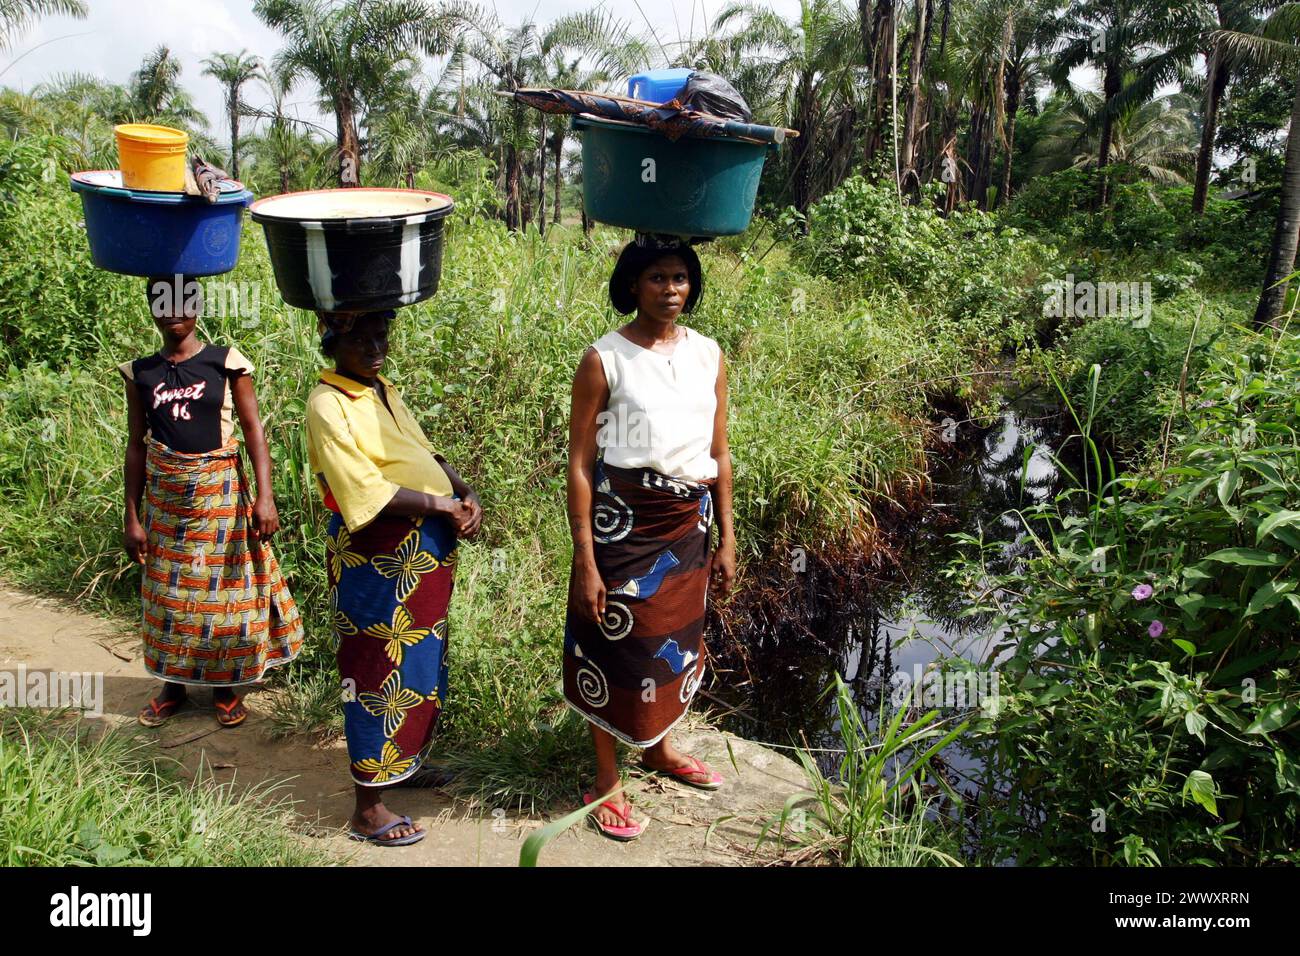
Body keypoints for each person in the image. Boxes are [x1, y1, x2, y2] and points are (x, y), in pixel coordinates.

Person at [565, 236, 737, 841]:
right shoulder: (605, 359)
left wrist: (727, 539)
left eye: (681, 278)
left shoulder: (708, 354)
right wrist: (586, 559)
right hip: (624, 524)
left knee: (675, 642)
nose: (671, 290)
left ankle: (660, 750)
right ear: (633, 285)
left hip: (688, 524)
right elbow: (582, 463)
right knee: (615, 642)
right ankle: (607, 779)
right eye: (657, 278)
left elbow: (718, 451)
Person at [306, 310, 482, 848]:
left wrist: (464, 491)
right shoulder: (327, 404)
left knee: (420, 660)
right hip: (377, 553)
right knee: (373, 666)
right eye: (361, 339)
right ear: (333, 341)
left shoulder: (381, 388)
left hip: (422, 548)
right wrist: (443, 506)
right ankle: (367, 804)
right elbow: (366, 491)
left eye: (381, 336)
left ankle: (404, 763)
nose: (375, 347)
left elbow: (423, 452)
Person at [122, 274, 303, 728]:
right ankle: (172, 686)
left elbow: (253, 430)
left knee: (223, 594)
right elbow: (136, 445)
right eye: (163, 303)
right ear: (153, 310)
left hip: (219, 496)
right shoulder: (141, 373)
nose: (173, 312)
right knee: (168, 594)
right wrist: (131, 516)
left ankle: (225, 687)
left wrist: (265, 497)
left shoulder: (225, 364)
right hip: (165, 503)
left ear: (198, 307)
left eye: (183, 302)